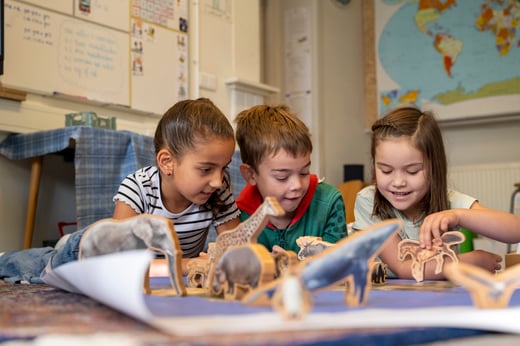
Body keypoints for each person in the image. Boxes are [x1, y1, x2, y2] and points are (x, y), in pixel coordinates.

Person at [0, 98, 241, 283]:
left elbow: (235, 252)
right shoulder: (138, 188)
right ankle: (8, 257)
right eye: (206, 169)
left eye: (224, 168)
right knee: (40, 267)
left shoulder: (217, 193)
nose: (218, 181)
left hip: (156, 271)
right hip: (91, 253)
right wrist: (189, 265)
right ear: (167, 162)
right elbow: (123, 264)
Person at [352, 106, 520, 280]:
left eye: (412, 171)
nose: (398, 182)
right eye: (386, 171)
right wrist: (466, 262)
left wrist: (459, 216)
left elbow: (516, 231)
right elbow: (403, 267)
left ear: (434, 167)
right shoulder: (369, 201)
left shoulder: (450, 202)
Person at [234, 104, 347, 255]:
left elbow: (339, 263)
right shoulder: (238, 215)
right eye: (282, 177)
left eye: (304, 172)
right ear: (251, 175)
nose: (297, 185)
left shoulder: (329, 202)